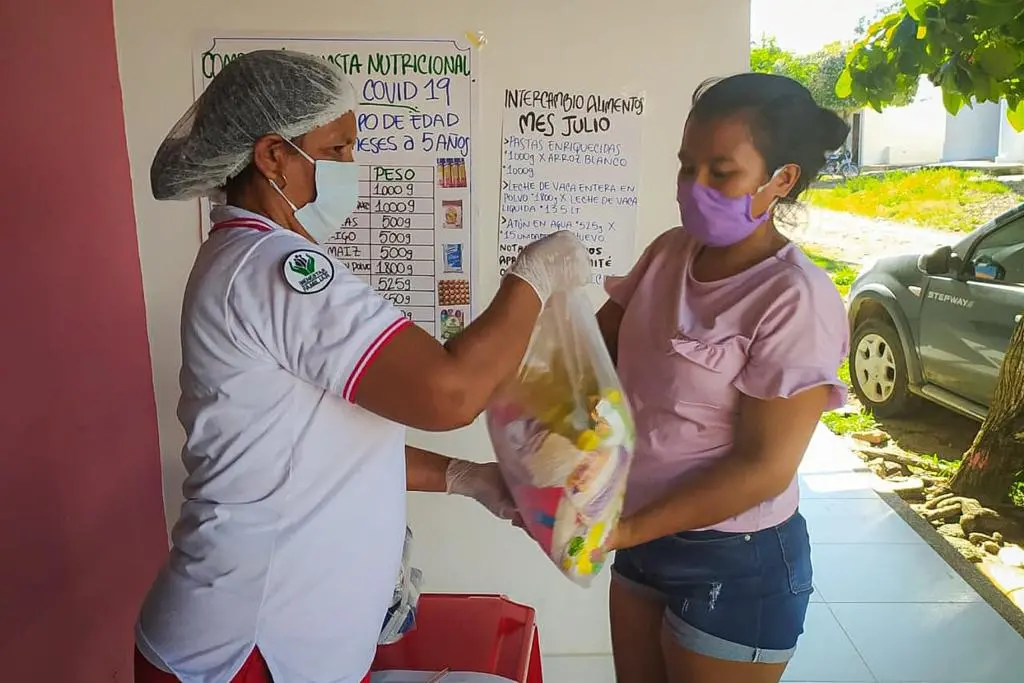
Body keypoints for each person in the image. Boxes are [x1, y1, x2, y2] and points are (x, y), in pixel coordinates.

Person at [135, 50, 590, 683]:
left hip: (271, 639)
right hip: (245, 650)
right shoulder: (277, 271)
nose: (353, 167)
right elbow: (449, 394)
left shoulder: (250, 259)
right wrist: (533, 279)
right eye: (339, 149)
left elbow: (314, 451)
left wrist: (467, 479)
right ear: (273, 157)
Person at [599, 73, 851, 683]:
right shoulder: (667, 253)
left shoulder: (793, 297)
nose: (694, 187)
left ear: (782, 179)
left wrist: (625, 526)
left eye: (721, 171)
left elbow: (764, 468)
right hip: (639, 535)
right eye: (687, 166)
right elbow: (592, 360)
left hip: (734, 558)